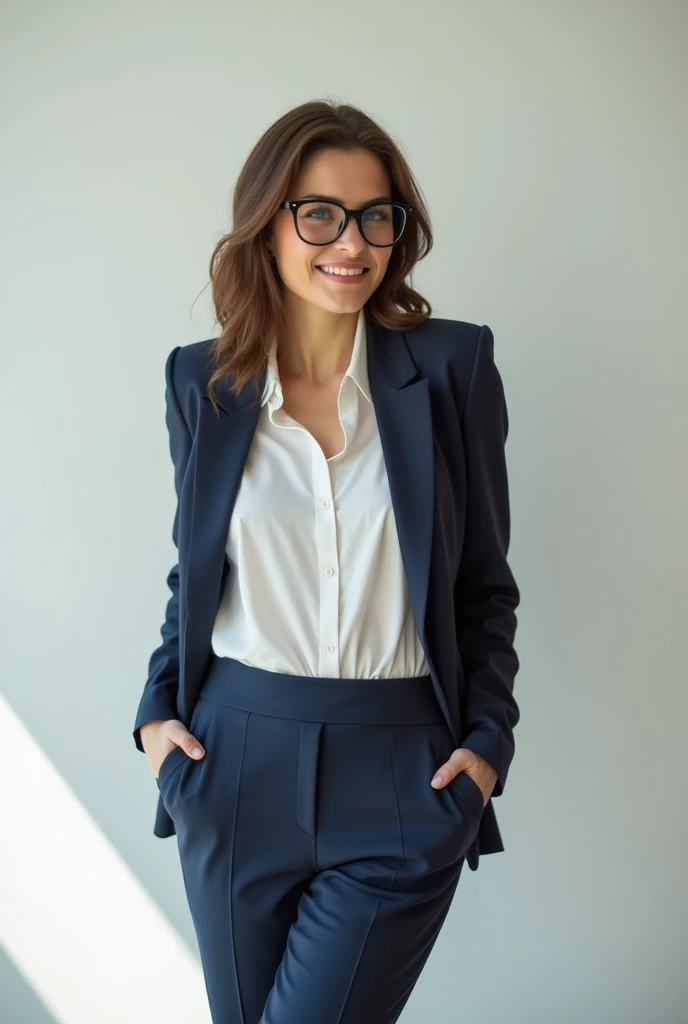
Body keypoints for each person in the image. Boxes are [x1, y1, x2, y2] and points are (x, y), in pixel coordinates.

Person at [133, 98, 520, 1024]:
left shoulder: (454, 369)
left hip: (401, 768)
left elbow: (483, 584)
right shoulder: (204, 381)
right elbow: (197, 572)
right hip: (231, 758)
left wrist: (486, 746)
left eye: (376, 216)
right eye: (321, 214)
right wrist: (156, 717)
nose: (353, 242)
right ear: (269, 224)